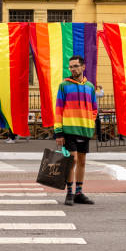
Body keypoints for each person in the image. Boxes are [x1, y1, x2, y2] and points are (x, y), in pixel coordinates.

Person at [54, 55, 98, 206]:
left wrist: (90, 123)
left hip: (84, 131)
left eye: (75, 66)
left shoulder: (90, 87)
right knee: (71, 160)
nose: (73, 69)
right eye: (71, 66)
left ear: (83, 67)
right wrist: (58, 132)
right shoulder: (64, 85)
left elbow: (94, 109)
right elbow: (58, 110)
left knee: (82, 161)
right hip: (69, 130)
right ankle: (69, 193)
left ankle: (79, 193)